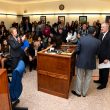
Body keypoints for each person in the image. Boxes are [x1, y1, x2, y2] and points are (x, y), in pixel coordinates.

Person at [72, 27, 101, 97]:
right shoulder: (98, 41)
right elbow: (97, 53)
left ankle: (78, 93)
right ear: (94, 33)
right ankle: (84, 93)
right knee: (88, 78)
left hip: (81, 61)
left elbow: (77, 50)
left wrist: (80, 55)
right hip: (91, 61)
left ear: (87, 31)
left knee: (79, 77)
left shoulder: (81, 39)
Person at [94, 22, 110, 89]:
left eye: (103, 27)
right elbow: (99, 45)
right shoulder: (100, 34)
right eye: (101, 27)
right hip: (100, 55)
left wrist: (108, 58)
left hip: (106, 57)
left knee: (105, 71)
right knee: (101, 69)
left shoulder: (109, 35)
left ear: (107, 27)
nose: (101, 28)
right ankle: (100, 80)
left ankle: (104, 84)